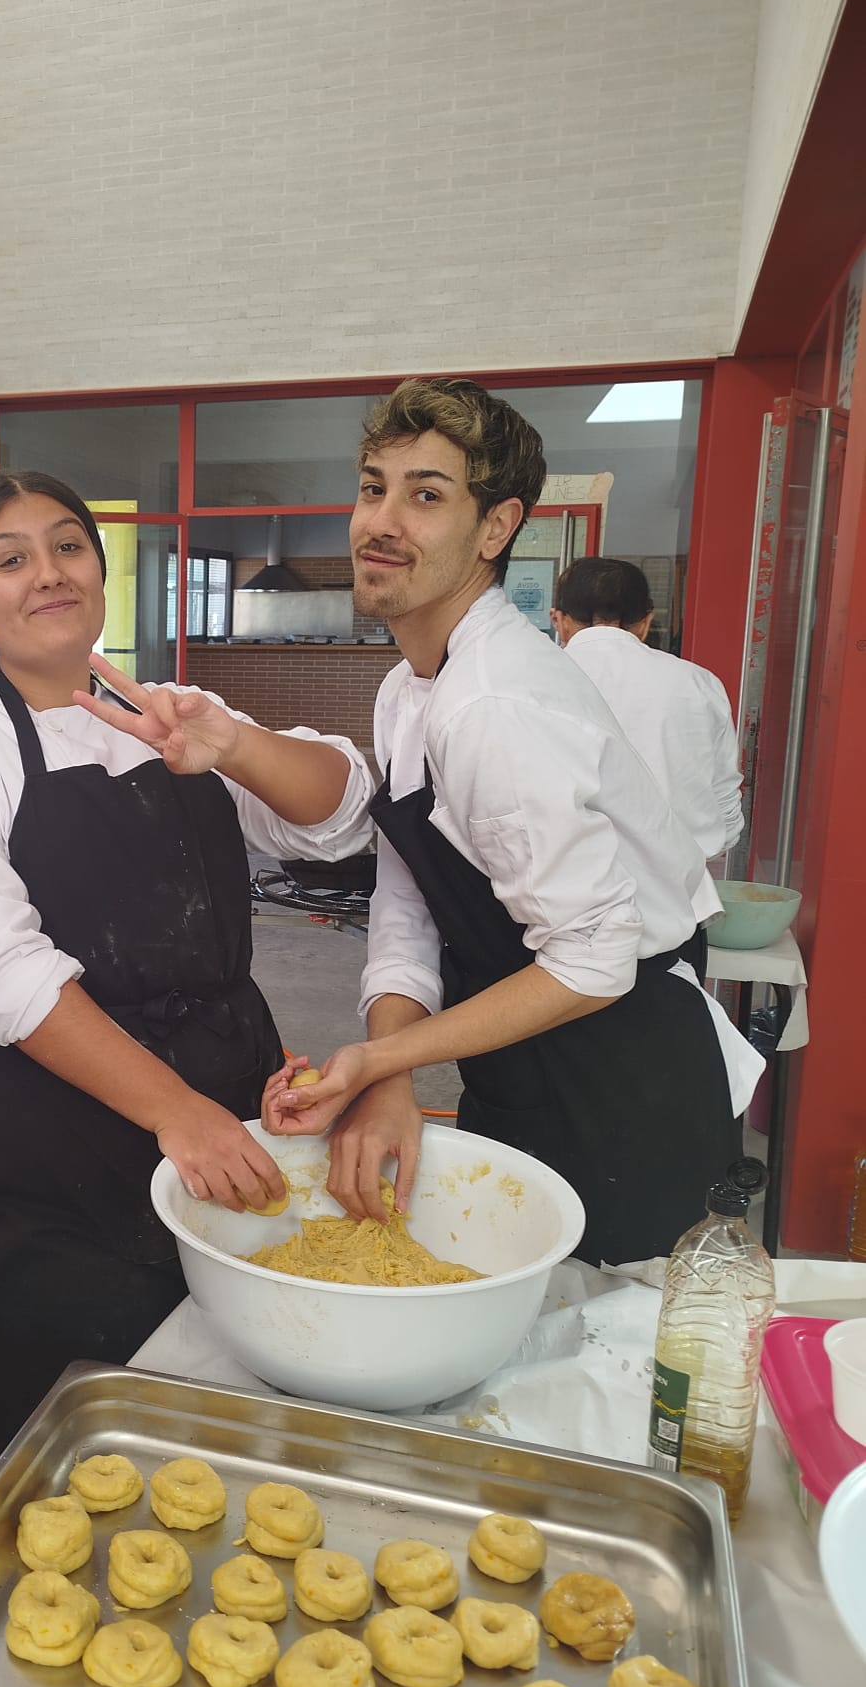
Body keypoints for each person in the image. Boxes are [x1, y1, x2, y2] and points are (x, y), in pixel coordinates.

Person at [0, 471, 376, 1491]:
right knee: (61, 1456)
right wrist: (175, 1110)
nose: (48, 572)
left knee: (221, 1436)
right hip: (38, 1143)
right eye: (10, 558)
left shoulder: (159, 709)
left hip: (220, 1106)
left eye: (69, 546)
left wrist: (228, 744)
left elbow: (339, 814)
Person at [266, 378, 761, 1268]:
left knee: (599, 1330)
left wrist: (378, 1064)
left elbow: (595, 959)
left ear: (496, 527)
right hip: (517, 1062)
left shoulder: (493, 704)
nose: (381, 521)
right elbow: (408, 902)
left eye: (426, 496)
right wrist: (391, 1065)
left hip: (624, 1080)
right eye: (374, 488)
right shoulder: (409, 689)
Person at [551, 554, 743, 870]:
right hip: (681, 881)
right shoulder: (697, 682)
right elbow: (724, 796)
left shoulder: (534, 681)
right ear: (645, 623)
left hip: (563, 880)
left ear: (559, 620)